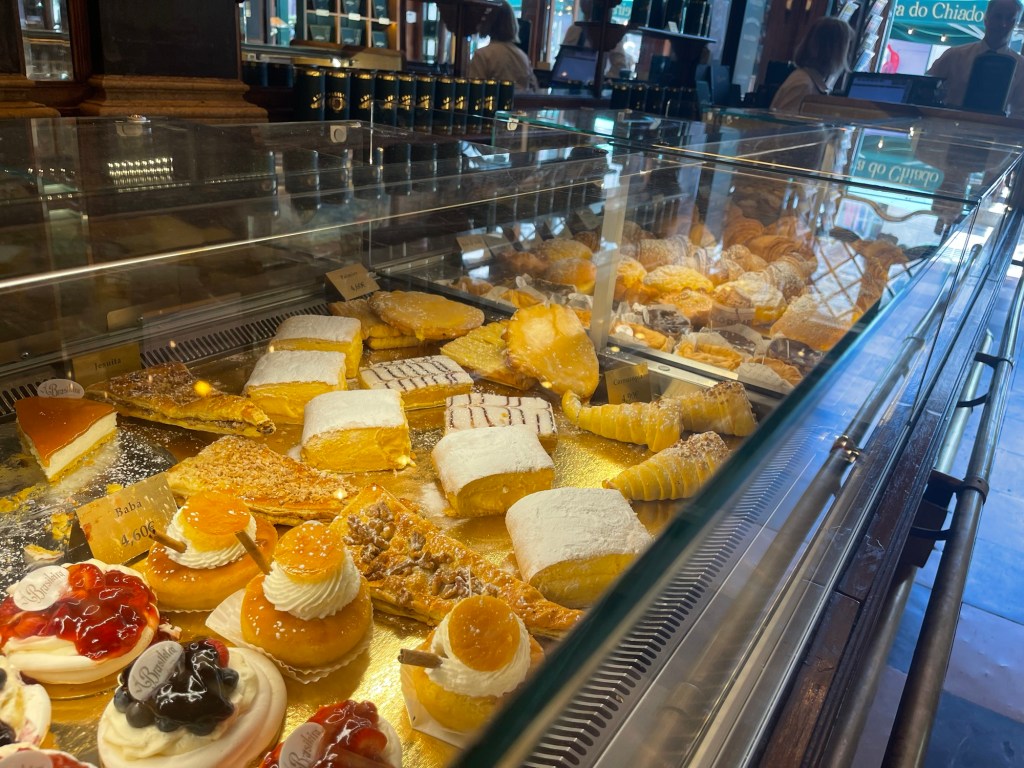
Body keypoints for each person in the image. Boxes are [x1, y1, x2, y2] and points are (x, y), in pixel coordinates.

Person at [926, 0, 1024, 115]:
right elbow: (925, 89)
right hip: (950, 123)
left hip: (996, 126)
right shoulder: (954, 55)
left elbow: (1020, 111)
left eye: (1010, 19)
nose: (1003, 24)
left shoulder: (1021, 66)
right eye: (998, 16)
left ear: (1016, 23)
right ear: (986, 18)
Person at [770, 17, 854, 114]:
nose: (847, 54)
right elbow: (784, 122)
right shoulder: (804, 85)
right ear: (834, 51)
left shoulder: (809, 80)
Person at [467, 1, 539, 92]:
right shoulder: (523, 57)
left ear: (488, 21)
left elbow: (474, 92)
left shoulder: (482, 55)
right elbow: (534, 90)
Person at [560, 0, 633, 76]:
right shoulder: (574, 29)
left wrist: (604, 79)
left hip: (592, 79)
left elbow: (619, 65)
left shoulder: (609, 31)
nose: (585, 2)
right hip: (568, 78)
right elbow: (563, 57)